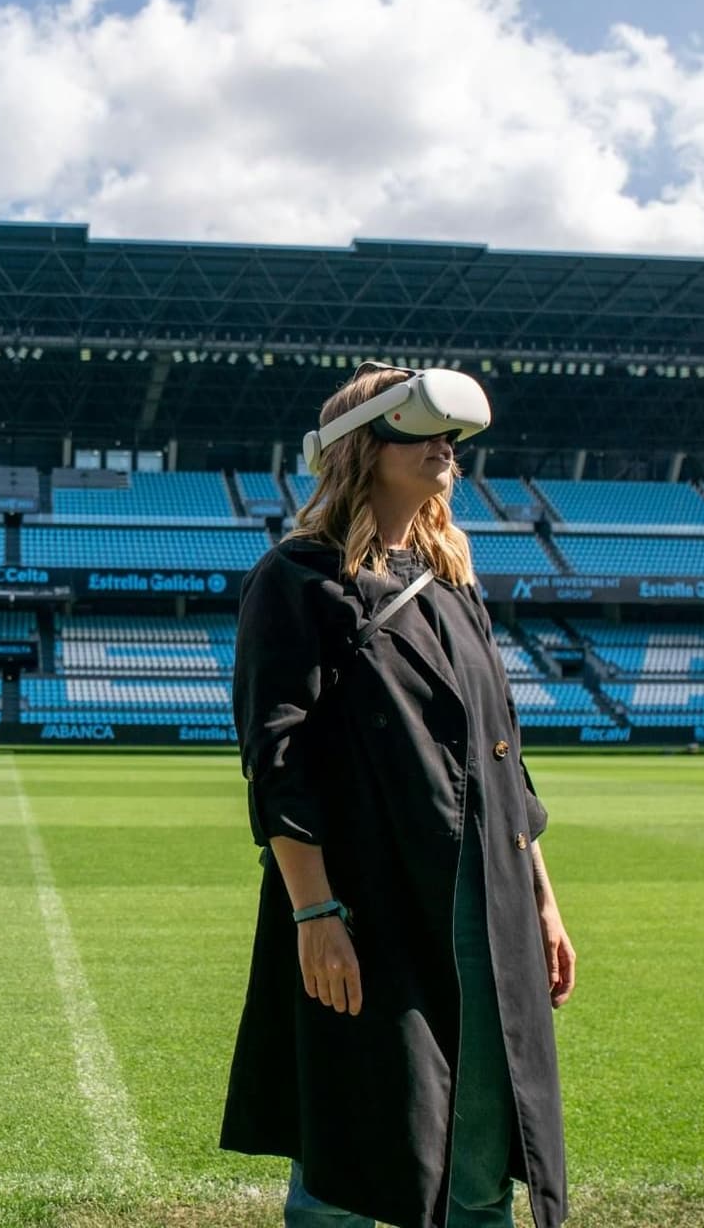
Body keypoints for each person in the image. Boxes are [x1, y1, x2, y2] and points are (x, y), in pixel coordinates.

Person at [220, 363, 575, 1227]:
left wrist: (543, 900)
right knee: (345, 1166)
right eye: (422, 432)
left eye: (451, 436)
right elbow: (278, 761)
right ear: (361, 447)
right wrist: (314, 913)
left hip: (483, 908)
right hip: (365, 906)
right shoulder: (295, 579)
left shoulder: (455, 584)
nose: (445, 448)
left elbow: (503, 757)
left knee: (480, 1165)